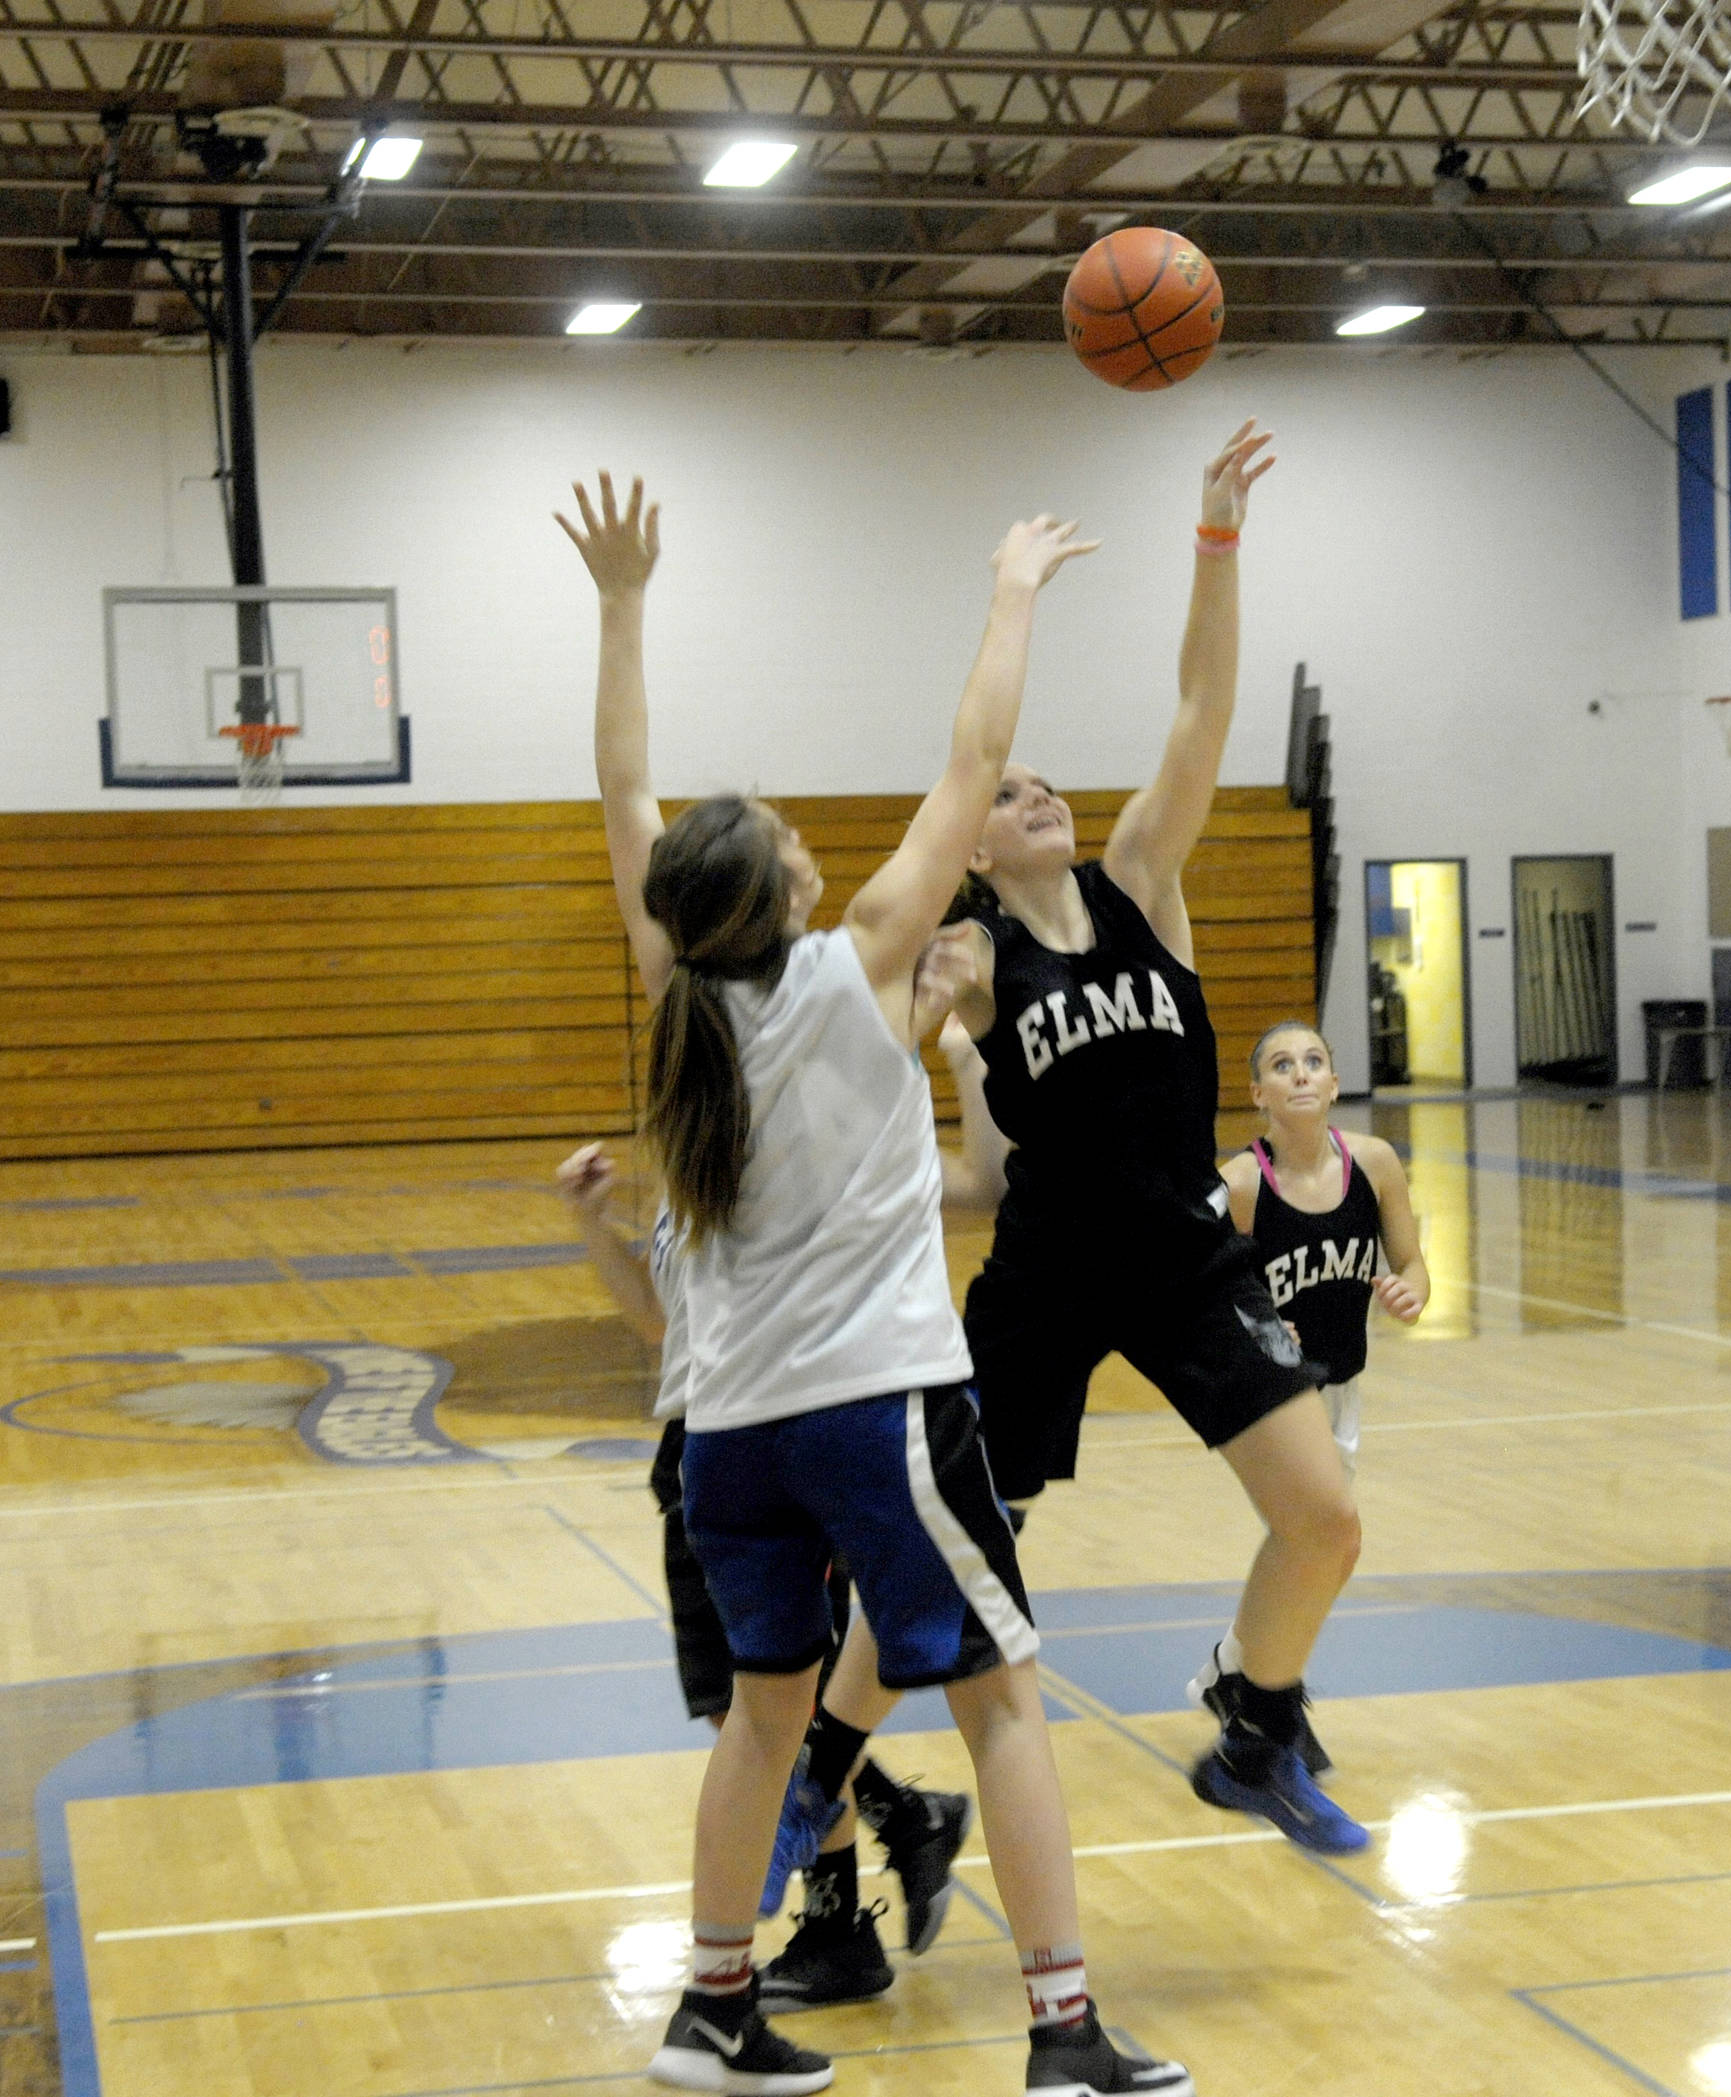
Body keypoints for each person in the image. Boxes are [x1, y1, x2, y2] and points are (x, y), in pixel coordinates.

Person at [558, 471, 1190, 2097]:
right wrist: (1013, 585)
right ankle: (1061, 2031)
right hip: (872, 1410)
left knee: (763, 1714)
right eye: (786, 841)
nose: (810, 845)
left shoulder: (678, 998)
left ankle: (713, 2010)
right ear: (778, 894)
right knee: (1004, 1700)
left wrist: (621, 606)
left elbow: (621, 785)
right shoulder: (855, 974)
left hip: (722, 1438)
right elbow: (973, 760)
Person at [940, 422, 1373, 1858]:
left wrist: (1216, 538)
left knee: (1326, 1517)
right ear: (977, 842)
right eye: (1009, 795)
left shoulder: (1138, 883)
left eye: (1043, 781)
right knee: (951, 1564)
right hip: (1051, 1271)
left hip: (1188, 1255)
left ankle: (1255, 1723)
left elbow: (1203, 707)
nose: (1034, 792)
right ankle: (827, 1757)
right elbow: (970, 767)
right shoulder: (975, 954)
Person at [554, 1129, 981, 2010]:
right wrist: (594, 1225)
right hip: (696, 1443)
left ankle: (842, 1923)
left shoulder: (782, 1162)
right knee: (736, 1704)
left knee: (766, 1704)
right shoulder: (694, 1180)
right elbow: (663, 1330)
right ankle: (899, 1825)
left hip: (764, 1445)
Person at [1193, 1019, 1429, 1769]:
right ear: (1258, 1093)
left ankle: (1235, 1670)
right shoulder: (1241, 1183)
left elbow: (1414, 1261)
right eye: (1282, 1065)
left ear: (1333, 1084)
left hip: (1344, 1384)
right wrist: (1255, 1317)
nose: (1301, 1074)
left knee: (1330, 1549)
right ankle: (1270, 1695)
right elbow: (1194, 1295)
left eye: (1314, 1061)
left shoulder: (1376, 1163)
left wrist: (1408, 1291)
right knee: (1322, 1537)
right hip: (1272, 1396)